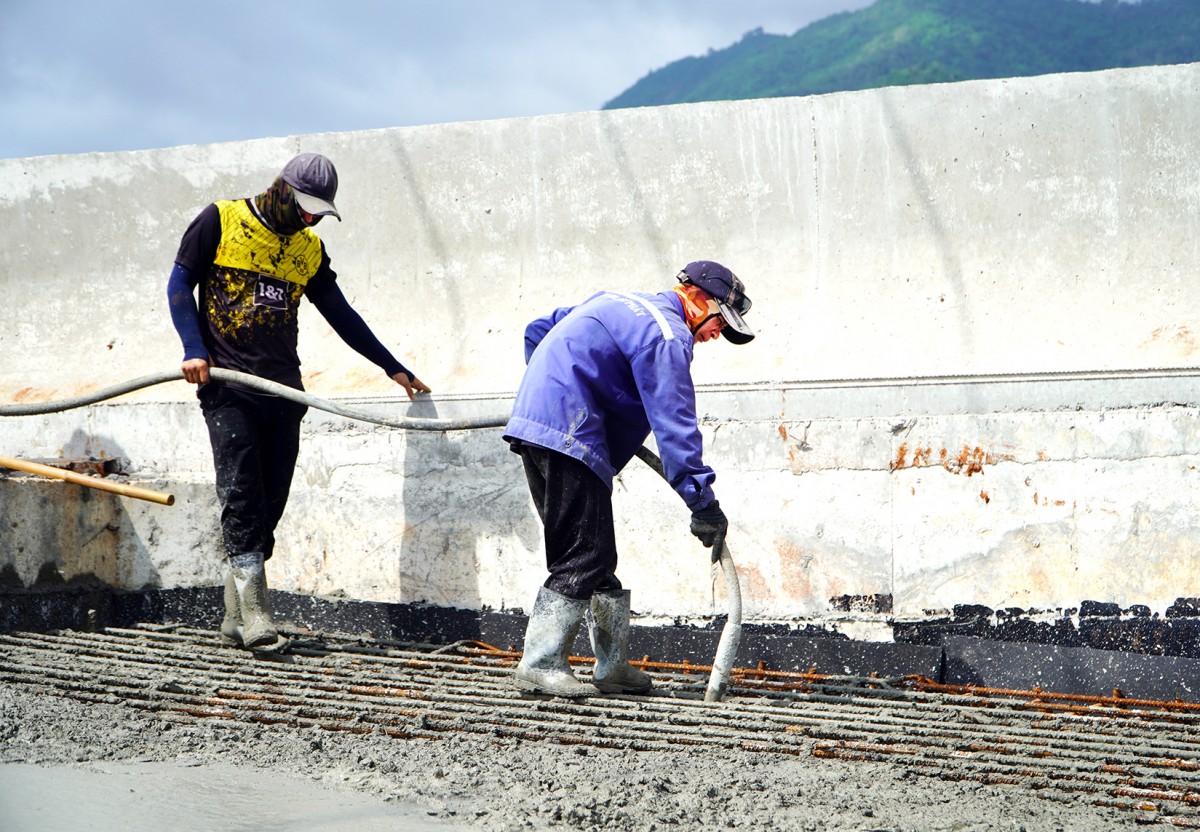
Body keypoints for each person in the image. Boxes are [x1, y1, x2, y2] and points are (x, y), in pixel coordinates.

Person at [166, 152, 431, 653]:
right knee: (242, 495)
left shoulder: (308, 249)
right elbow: (180, 284)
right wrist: (194, 350)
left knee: (270, 504)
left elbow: (340, 313)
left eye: (318, 212)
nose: (310, 218)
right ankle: (258, 617)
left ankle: (233, 616)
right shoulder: (221, 220)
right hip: (229, 386)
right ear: (281, 189)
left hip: (284, 391)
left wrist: (392, 366)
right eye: (305, 207)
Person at [503, 260, 754, 697]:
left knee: (592, 552)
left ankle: (613, 668)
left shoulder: (615, 301)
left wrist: (550, 388)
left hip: (540, 425)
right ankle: (540, 663)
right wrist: (701, 502)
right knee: (585, 554)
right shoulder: (667, 334)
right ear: (697, 296)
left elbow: (536, 330)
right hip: (572, 432)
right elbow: (675, 423)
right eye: (719, 322)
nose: (716, 335)